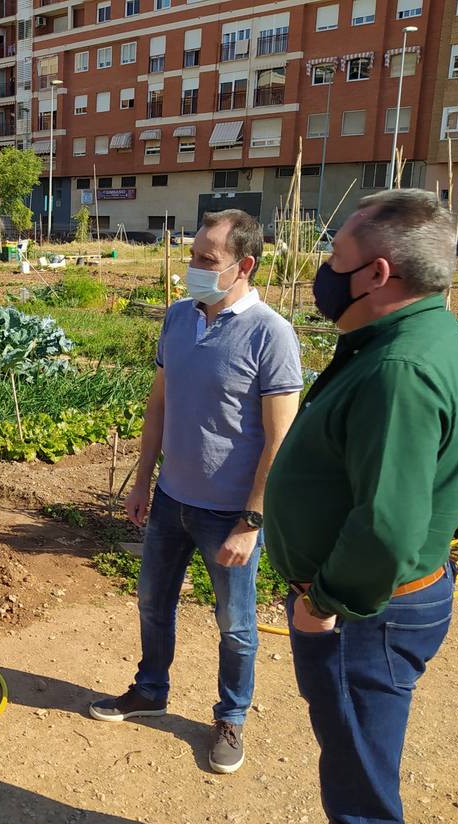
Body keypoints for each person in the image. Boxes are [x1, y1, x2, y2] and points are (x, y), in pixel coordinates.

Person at [252, 190, 458, 824]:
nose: (326, 271)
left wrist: (324, 602)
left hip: (366, 614)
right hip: (387, 604)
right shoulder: (421, 339)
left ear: (378, 274)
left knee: (365, 793)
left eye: (336, 259)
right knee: (353, 754)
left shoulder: (398, 371)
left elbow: (384, 525)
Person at [89, 210, 302, 775]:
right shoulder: (179, 318)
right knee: (153, 604)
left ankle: (231, 716)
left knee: (235, 625)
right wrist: (141, 480)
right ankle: (150, 690)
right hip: (171, 501)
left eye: (206, 260)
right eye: (192, 256)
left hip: (230, 512)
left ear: (244, 265)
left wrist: (251, 520)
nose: (193, 269)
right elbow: (159, 405)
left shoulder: (271, 334)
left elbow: (280, 438)